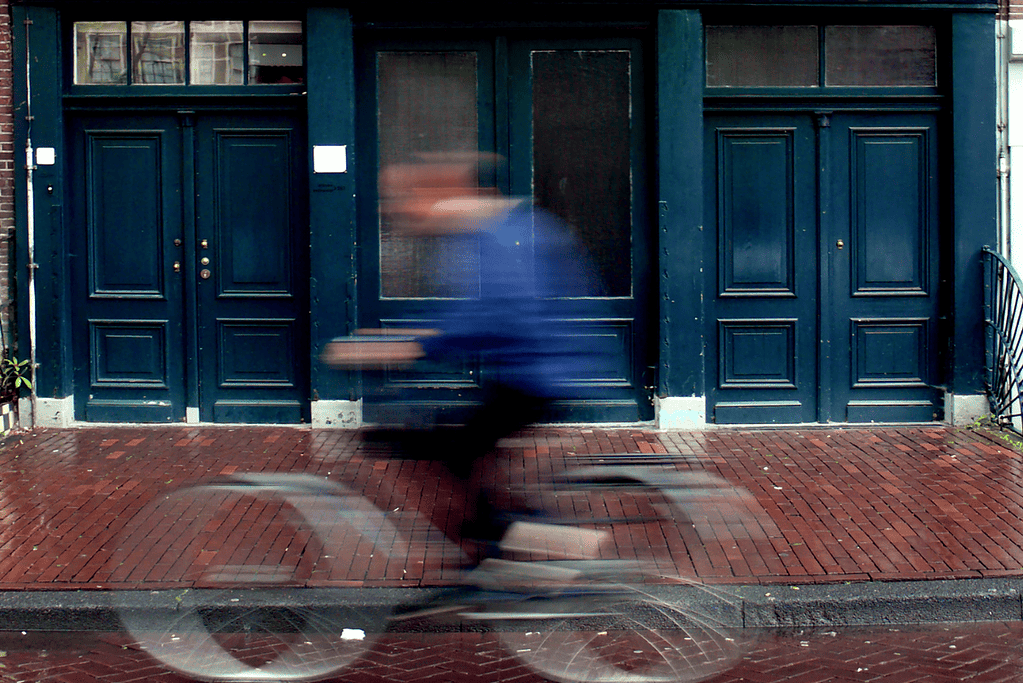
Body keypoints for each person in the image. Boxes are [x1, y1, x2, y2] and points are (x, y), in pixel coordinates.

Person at [325, 153, 612, 556]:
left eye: (405, 198)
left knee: (455, 449)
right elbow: (468, 313)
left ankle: (542, 547)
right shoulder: (490, 229)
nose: (397, 211)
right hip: (534, 365)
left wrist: (416, 346)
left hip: (539, 373)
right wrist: (409, 338)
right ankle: (494, 540)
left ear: (442, 192)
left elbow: (506, 312)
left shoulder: (496, 234)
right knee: (455, 450)